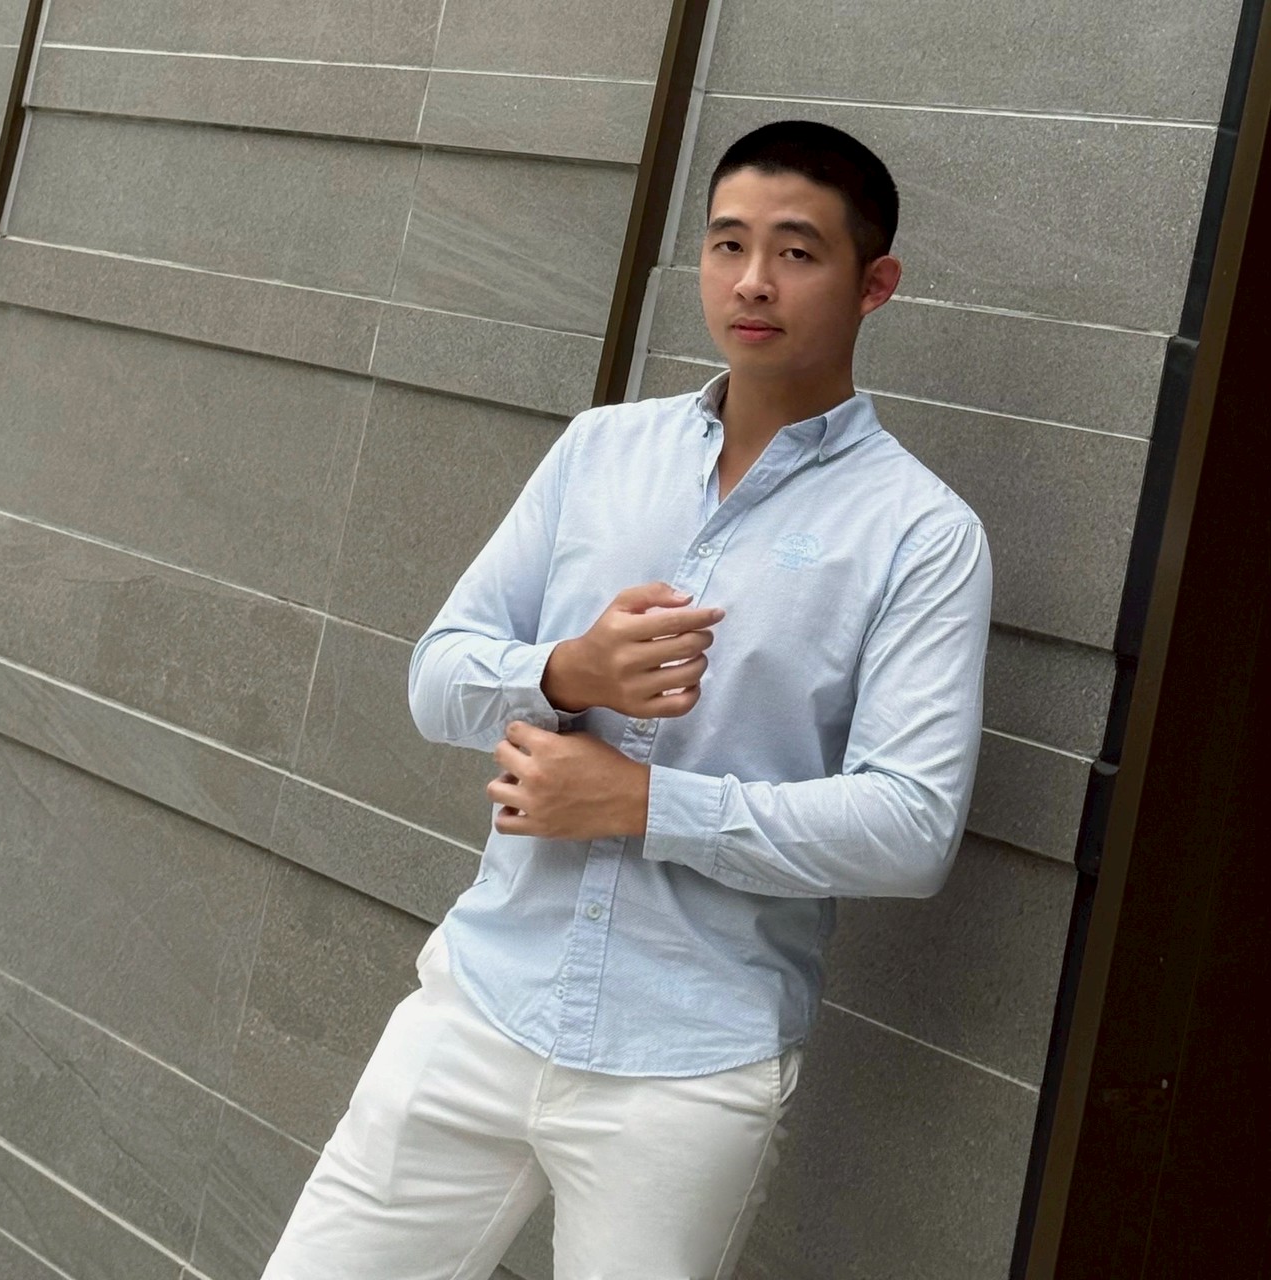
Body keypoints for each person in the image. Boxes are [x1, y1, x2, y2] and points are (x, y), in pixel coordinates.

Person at [262, 119, 992, 1280]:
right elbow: (437, 674)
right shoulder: (599, 451)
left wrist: (642, 802)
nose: (750, 281)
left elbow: (908, 827)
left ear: (874, 283)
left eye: (796, 251)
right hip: (475, 1009)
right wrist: (566, 672)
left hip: (686, 1070)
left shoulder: (921, 534)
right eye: (726, 243)